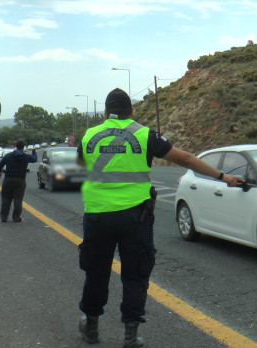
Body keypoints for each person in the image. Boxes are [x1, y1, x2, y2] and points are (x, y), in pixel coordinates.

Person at [76, 88, 242, 347]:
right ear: (132, 111)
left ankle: (92, 327)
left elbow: (81, 167)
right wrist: (224, 177)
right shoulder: (144, 135)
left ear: (105, 113)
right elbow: (185, 158)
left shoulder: (88, 136)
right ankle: (130, 336)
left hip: (97, 216)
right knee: (135, 273)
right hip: (135, 217)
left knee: (96, 272)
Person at [0, 140, 37, 222]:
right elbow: (34, 159)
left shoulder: (8, 156)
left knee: (6, 199)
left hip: (8, 179)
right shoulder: (26, 157)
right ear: (23, 147)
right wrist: (33, 151)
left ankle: (4, 217)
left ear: (16, 147)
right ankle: (16, 217)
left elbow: (0, 164)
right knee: (18, 199)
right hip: (20, 180)